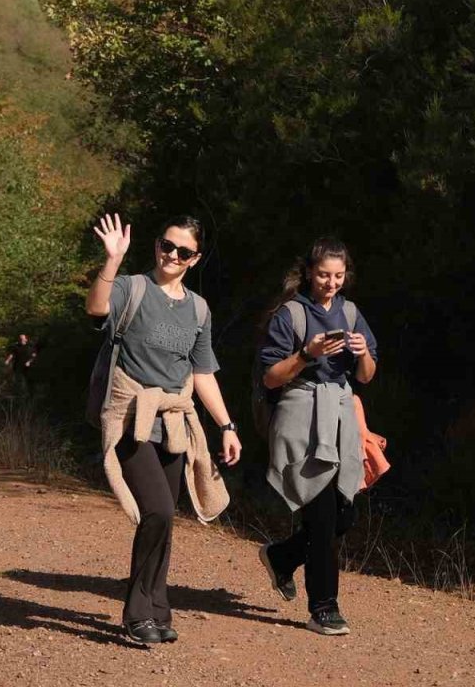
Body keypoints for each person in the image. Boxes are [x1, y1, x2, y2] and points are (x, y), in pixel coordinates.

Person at [85, 213, 242, 645]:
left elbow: (203, 372)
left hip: (174, 421)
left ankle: (157, 606)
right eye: (166, 246)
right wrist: (112, 260)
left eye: (183, 251)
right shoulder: (132, 287)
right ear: (156, 246)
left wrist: (226, 425)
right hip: (131, 417)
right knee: (159, 510)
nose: (172, 255)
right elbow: (96, 308)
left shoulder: (198, 309)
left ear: (195, 259)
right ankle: (136, 612)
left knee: (166, 520)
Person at [257, 237, 378, 636]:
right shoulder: (290, 314)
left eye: (339, 276)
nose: (331, 282)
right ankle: (323, 608)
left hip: (341, 416)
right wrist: (307, 354)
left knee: (345, 512)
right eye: (324, 274)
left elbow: (365, 377)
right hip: (302, 416)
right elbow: (271, 378)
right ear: (309, 272)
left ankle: (282, 556)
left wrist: (362, 353)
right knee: (323, 514)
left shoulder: (351, 311)